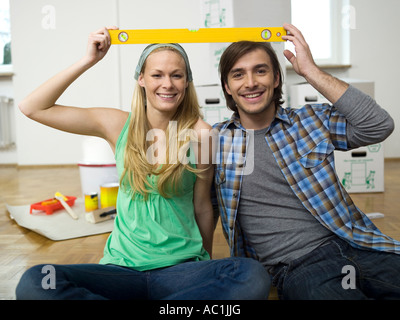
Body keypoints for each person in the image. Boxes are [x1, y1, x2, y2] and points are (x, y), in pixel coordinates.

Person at [15, 26, 270, 300]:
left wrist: (204, 264)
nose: (167, 84)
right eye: (157, 75)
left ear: (186, 82)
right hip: (119, 270)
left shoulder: (202, 134)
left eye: (176, 75)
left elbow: (202, 206)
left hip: (180, 271)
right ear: (141, 79)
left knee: (251, 274)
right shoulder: (116, 124)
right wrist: (89, 60)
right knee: (38, 280)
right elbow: (33, 107)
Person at [213, 23, 400, 300]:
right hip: (301, 266)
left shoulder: (311, 120)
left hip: (358, 245)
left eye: (260, 71)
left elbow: (378, 126)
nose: (250, 82)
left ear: (277, 79)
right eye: (238, 74)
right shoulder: (214, 141)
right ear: (227, 87)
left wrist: (310, 71)